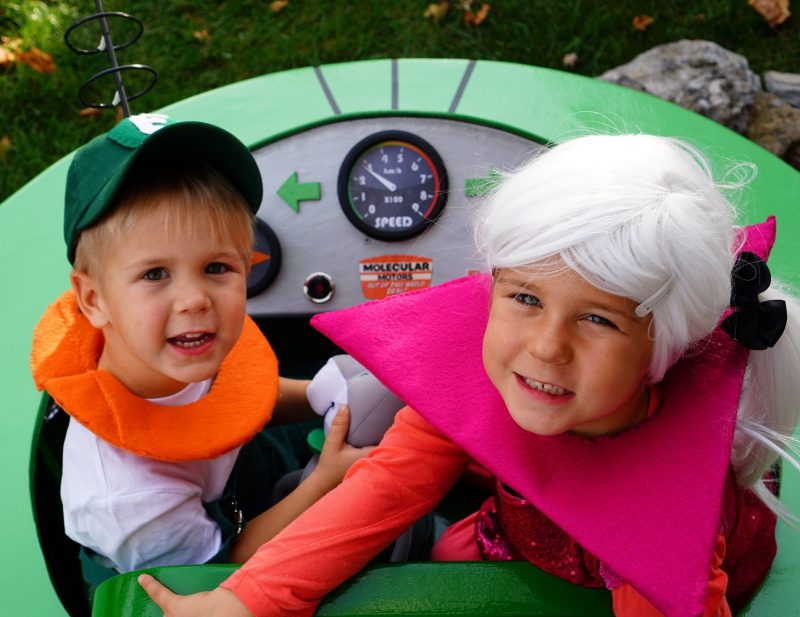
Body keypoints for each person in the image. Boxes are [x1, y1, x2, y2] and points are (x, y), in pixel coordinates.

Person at [139, 133, 800, 617]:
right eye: (525, 298)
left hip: (621, 581)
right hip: (512, 532)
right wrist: (250, 596)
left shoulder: (669, 517)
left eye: (598, 320)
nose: (544, 349)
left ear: (664, 345)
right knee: (448, 552)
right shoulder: (489, 377)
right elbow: (390, 482)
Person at [30, 112, 368, 593]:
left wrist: (318, 394)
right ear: (93, 300)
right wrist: (325, 484)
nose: (195, 300)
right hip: (205, 563)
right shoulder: (128, 498)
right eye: (154, 274)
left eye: (216, 266)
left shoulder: (176, 346)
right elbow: (225, 571)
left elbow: (238, 396)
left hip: (245, 474)